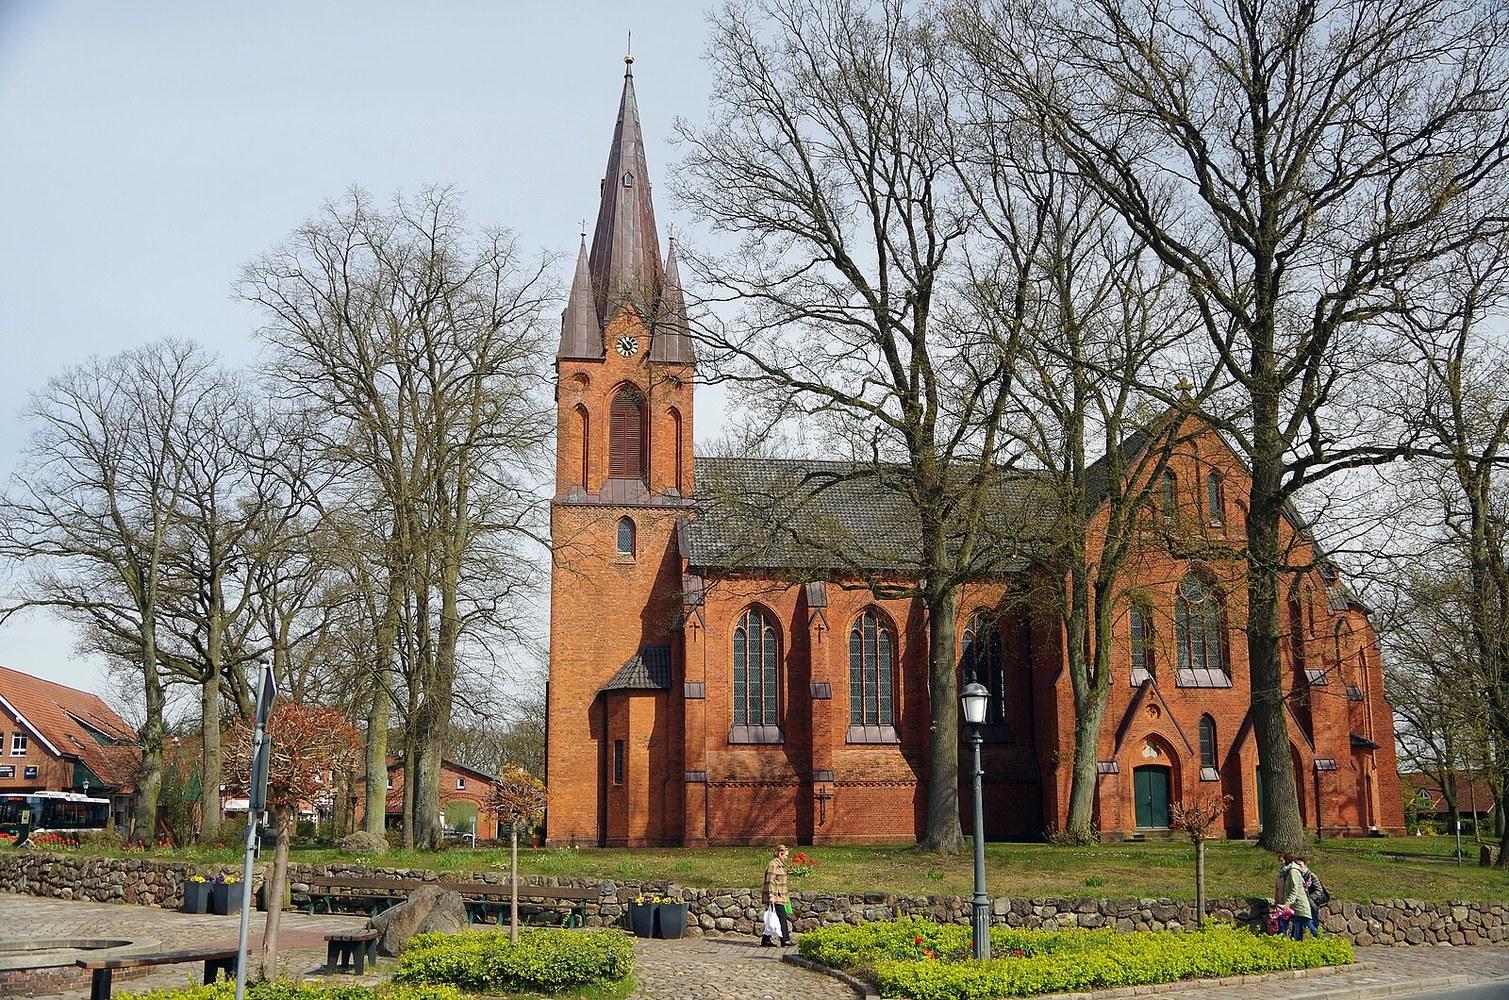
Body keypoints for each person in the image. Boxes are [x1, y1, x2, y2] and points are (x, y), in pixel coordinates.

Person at [1273, 852, 1313, 940]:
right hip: (1293, 905)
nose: (1280, 863)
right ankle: (1286, 941)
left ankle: (1322, 939)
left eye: (1282, 860)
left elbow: (1294, 889)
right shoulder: (1285, 873)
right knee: (1291, 925)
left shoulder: (1293, 871)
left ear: (1287, 860)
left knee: (1309, 926)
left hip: (1298, 905)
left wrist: (1287, 903)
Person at [761, 844, 793, 947]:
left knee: (775, 916)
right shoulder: (773, 865)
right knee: (781, 917)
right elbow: (770, 881)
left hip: (780, 895)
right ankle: (785, 940)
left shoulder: (779, 865)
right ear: (780, 854)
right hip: (776, 896)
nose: (786, 858)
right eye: (786, 855)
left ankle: (766, 940)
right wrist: (771, 895)